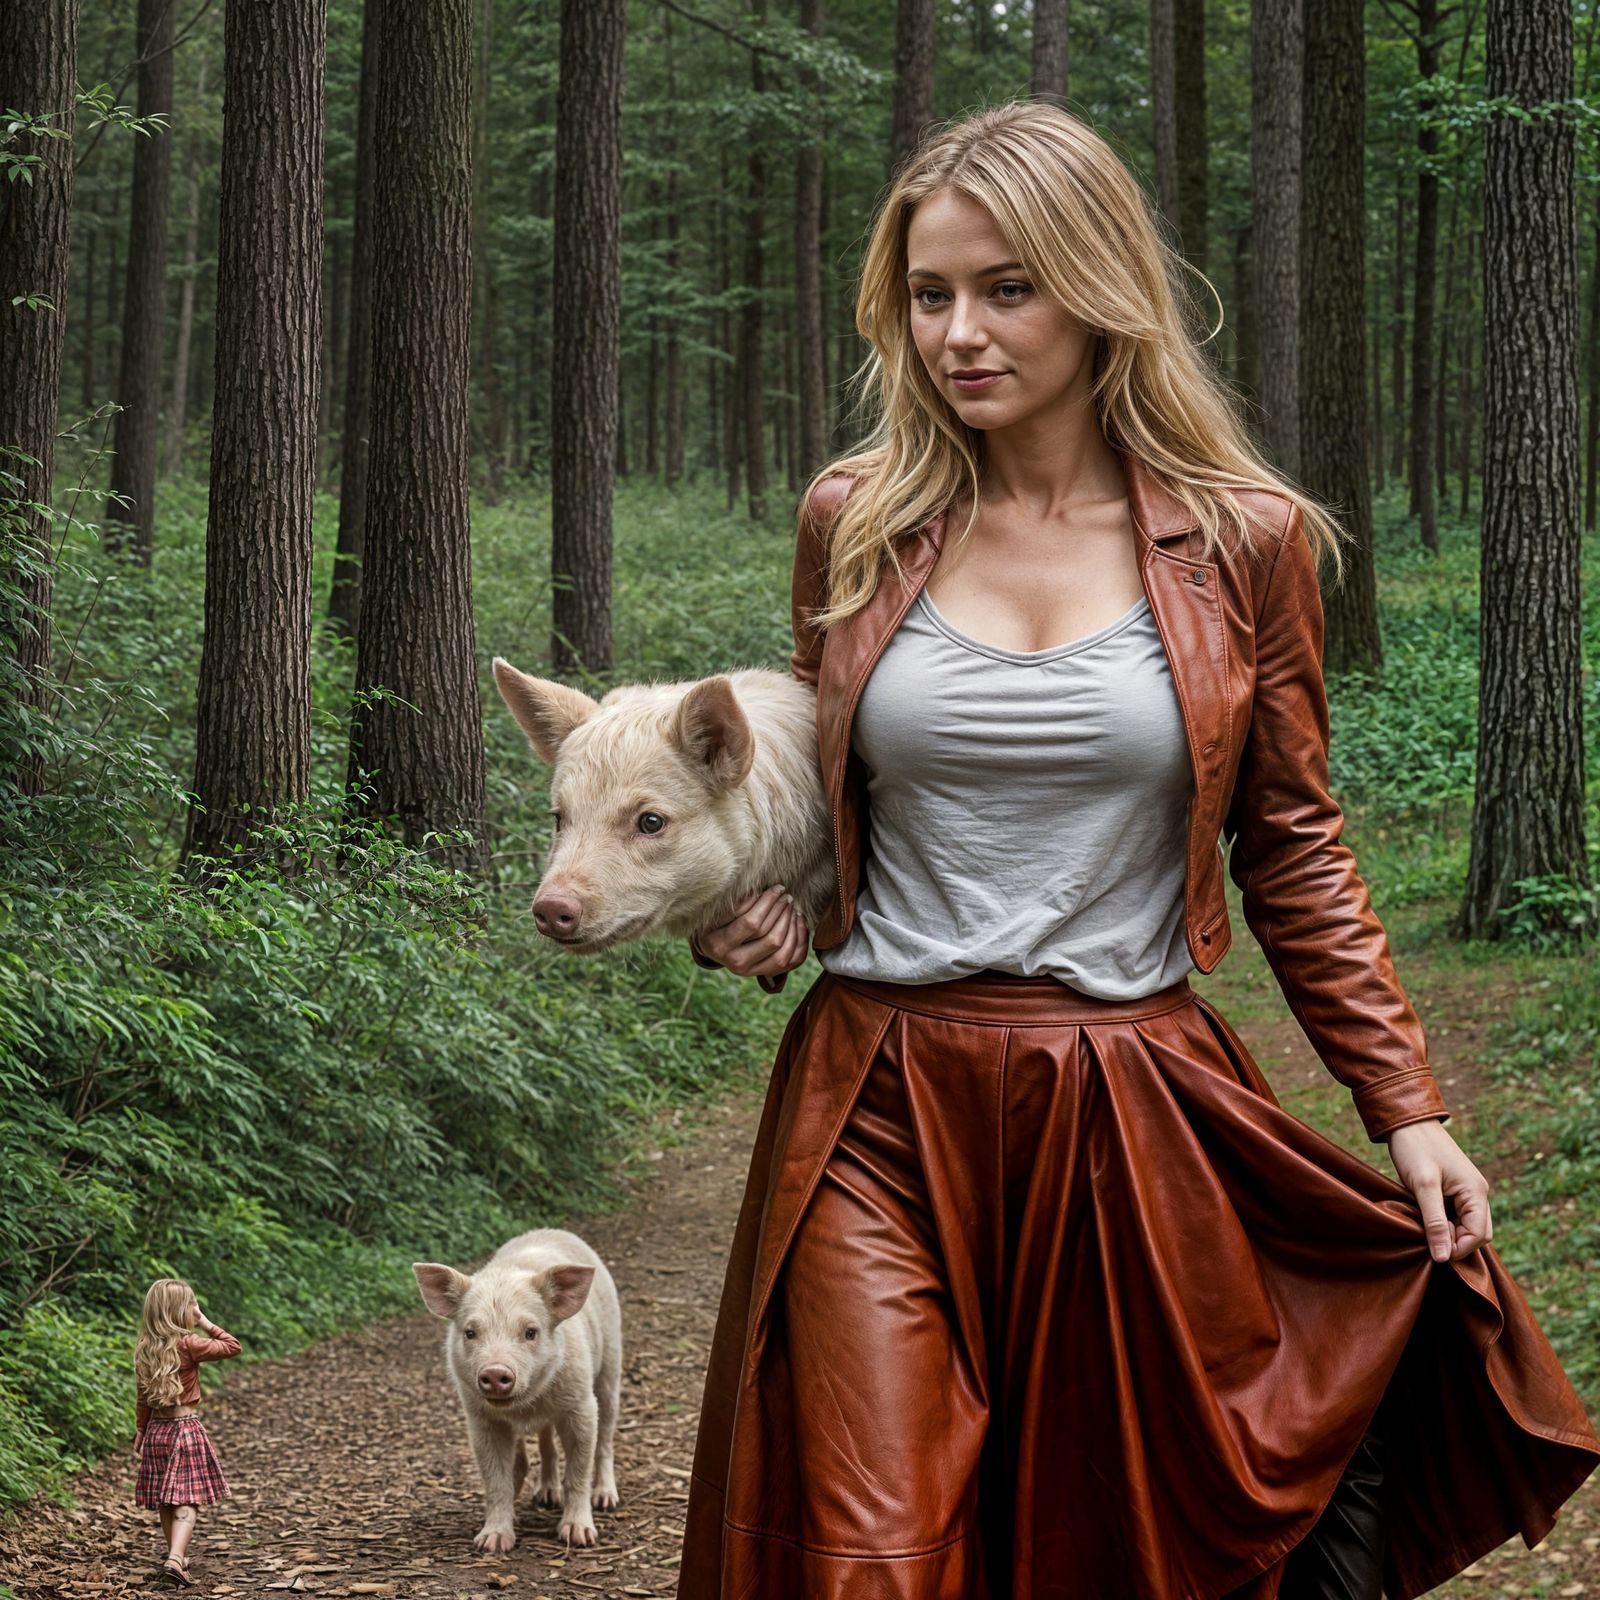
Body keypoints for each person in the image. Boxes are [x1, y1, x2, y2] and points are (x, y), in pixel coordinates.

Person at [676, 102, 1599, 1600]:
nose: (959, 333)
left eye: (1006, 288)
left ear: (1099, 289)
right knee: (869, 1553)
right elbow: (816, 810)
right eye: (929, 295)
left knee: (1101, 1543)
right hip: (877, 1100)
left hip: (1126, 1101)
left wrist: (1407, 1107)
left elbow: (1291, 842)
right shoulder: (854, 520)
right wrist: (756, 907)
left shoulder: (1243, 540)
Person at [133, 1277, 242, 1586]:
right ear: (178, 1312)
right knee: (187, 1499)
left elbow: (142, 1397)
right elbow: (233, 1346)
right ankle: (175, 1559)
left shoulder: (145, 1348)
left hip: (158, 1431)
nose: (195, 1309)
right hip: (185, 1429)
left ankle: (175, 1556)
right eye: (191, 1305)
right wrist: (205, 1321)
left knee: (166, 1499)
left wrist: (141, 1429)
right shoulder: (189, 1343)